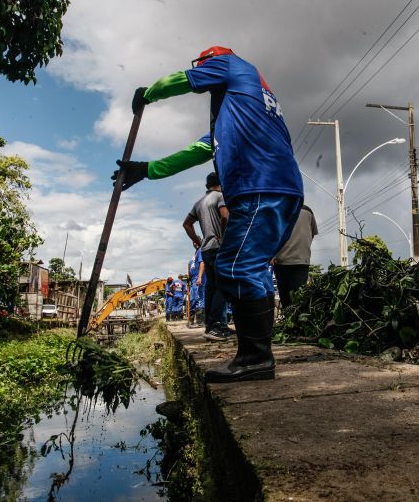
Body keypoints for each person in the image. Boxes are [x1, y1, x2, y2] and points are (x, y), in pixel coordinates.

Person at [115, 46, 303, 382]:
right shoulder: (239, 110)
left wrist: (149, 93)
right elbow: (196, 151)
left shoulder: (232, 65)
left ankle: (256, 358)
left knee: (234, 266)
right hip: (279, 188)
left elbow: (182, 80)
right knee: (252, 269)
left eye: (206, 69)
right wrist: (147, 170)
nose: (206, 74)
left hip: (260, 186)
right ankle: (256, 357)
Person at [183, 172, 231, 341]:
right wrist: (224, 237)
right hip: (219, 247)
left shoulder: (199, 202)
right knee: (224, 286)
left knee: (211, 288)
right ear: (220, 183)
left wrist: (197, 241)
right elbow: (225, 216)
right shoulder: (220, 196)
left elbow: (186, 224)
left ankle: (211, 326)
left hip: (206, 249)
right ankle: (216, 324)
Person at [273, 205, 318, 308]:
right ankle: (297, 322)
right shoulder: (308, 210)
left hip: (281, 260)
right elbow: (312, 233)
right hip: (301, 260)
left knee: (286, 300)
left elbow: (272, 234)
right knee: (299, 299)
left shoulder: (279, 208)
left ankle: (289, 321)